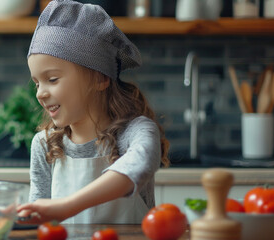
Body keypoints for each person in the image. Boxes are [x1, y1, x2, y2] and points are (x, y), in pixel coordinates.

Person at [16, 0, 170, 224]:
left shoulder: (135, 133)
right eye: (37, 83)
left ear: (100, 78)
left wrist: (68, 206)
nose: (40, 93)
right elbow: (40, 221)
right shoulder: (44, 145)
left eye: (52, 79)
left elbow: (140, 164)